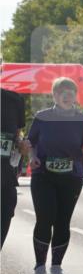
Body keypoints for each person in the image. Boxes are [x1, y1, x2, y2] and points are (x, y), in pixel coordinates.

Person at [27, 78, 83, 274]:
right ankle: (40, 264)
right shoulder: (42, 117)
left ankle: (56, 265)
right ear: (54, 95)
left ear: (75, 96)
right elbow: (30, 142)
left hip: (71, 177)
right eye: (62, 92)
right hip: (43, 176)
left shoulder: (82, 120)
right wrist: (32, 157)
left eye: (71, 92)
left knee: (63, 220)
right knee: (45, 218)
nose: (67, 96)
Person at [1, 83, 29, 249]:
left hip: (5, 178)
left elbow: (16, 135)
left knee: (5, 213)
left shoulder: (14, 100)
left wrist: (21, 145)